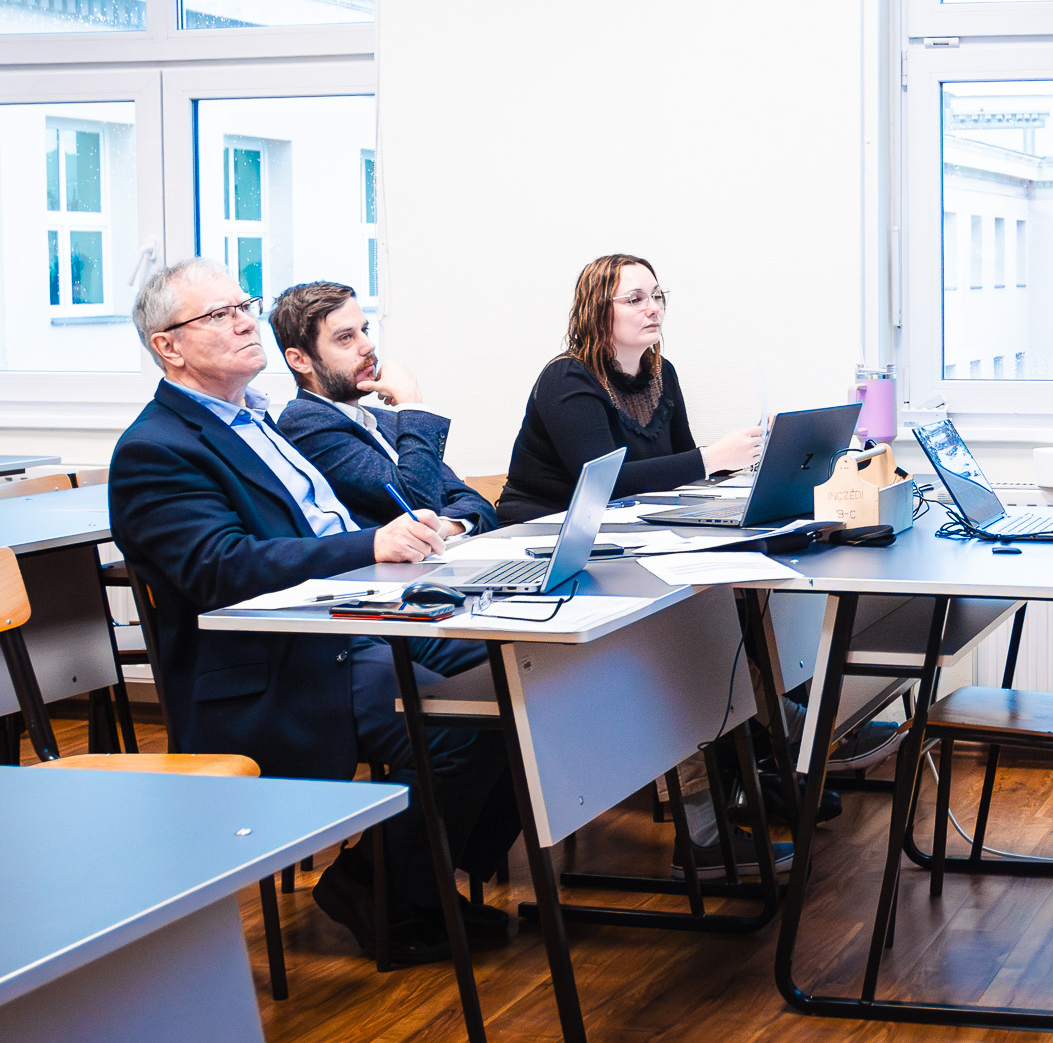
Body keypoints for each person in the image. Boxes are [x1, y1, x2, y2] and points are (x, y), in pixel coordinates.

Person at [107, 258, 520, 965]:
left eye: (243, 305)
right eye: (219, 315)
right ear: (167, 346)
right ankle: (377, 887)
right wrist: (370, 544)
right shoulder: (156, 449)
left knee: (523, 675)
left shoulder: (257, 420)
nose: (244, 322)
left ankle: (416, 881)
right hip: (279, 663)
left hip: (354, 620)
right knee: (459, 728)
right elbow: (221, 568)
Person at [497, 253, 760, 523]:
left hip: (624, 520)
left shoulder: (662, 372)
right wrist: (711, 458)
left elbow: (682, 462)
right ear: (597, 310)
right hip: (544, 524)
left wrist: (750, 451)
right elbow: (604, 484)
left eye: (657, 296)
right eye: (635, 299)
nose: (654, 308)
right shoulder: (567, 377)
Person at [267, 280, 499, 537]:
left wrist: (444, 528)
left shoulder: (385, 420)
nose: (368, 345)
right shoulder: (305, 423)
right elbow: (420, 503)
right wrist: (411, 403)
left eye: (364, 330)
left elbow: (479, 506)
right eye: (345, 337)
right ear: (300, 360)